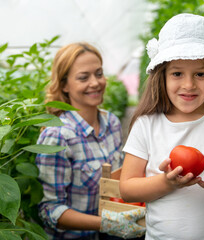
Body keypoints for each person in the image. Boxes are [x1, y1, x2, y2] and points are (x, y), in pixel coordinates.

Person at [119, 13, 204, 240]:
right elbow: (127, 190)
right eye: (177, 73)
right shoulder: (146, 125)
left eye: (200, 74)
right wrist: (166, 182)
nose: (189, 84)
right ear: (162, 77)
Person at [35, 42, 146, 240]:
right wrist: (105, 224)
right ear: (64, 85)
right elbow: (50, 210)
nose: (95, 83)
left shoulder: (111, 122)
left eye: (99, 73)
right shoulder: (58, 136)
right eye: (83, 77)